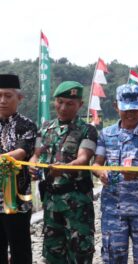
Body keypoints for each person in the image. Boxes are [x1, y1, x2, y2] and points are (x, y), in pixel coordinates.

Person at [29, 81, 98, 263]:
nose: (63, 107)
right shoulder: (44, 129)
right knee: (53, 253)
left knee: (80, 253)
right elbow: (36, 156)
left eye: (70, 104)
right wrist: (33, 165)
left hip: (77, 203)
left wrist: (64, 168)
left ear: (80, 105)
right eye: (60, 102)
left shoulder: (87, 130)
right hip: (51, 203)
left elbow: (83, 158)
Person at [92, 84, 138, 264]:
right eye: (125, 109)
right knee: (113, 256)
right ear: (116, 106)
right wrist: (101, 172)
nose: (130, 114)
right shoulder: (106, 134)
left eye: (134, 110)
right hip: (113, 208)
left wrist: (136, 173)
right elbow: (96, 163)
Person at [0, 74, 37, 264]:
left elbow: (21, 152)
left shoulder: (27, 125)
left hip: (17, 200)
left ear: (19, 98)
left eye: (8, 96)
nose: (2, 101)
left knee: (20, 249)